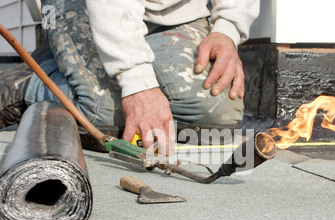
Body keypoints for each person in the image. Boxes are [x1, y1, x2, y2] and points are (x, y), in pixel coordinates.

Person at [0, 0, 260, 155]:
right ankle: (28, 84)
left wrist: (227, 29)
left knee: (216, 116)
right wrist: (138, 85)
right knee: (102, 114)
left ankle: (76, 61)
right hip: (84, 5)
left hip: (176, 11)